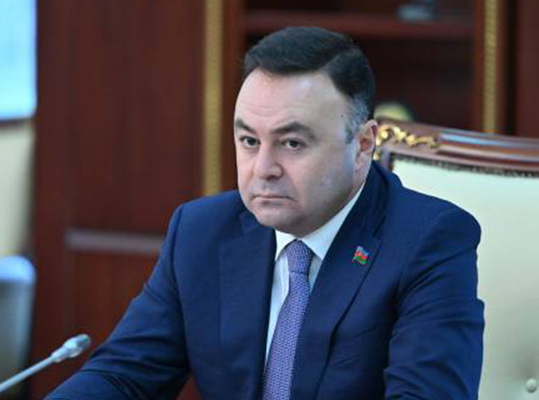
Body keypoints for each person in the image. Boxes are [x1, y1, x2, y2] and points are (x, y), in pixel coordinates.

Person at [47, 26, 484, 400]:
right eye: (250, 141)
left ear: (363, 145)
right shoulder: (201, 231)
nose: (263, 169)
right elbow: (122, 376)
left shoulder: (427, 241)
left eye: (292, 143)